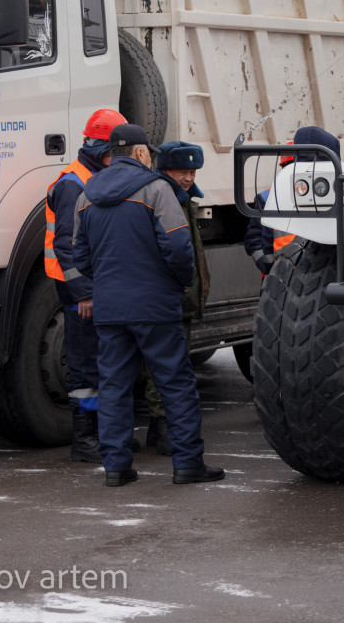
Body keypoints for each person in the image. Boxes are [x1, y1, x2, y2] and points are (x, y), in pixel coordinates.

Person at [73, 123, 223, 487]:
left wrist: (105, 283)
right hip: (155, 306)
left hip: (110, 309)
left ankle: (116, 467)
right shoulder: (157, 190)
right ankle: (187, 464)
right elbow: (177, 247)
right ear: (141, 153)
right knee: (175, 382)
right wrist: (179, 283)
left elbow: (80, 254)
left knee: (114, 385)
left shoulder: (87, 194)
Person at [45, 108, 128, 463]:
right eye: (115, 150)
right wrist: (84, 294)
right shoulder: (73, 183)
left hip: (96, 287)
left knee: (105, 363)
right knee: (84, 367)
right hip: (79, 291)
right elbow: (66, 246)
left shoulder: (95, 177)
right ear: (100, 147)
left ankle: (106, 435)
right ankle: (85, 440)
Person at [140, 140, 211, 455]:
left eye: (193, 171)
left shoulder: (182, 199)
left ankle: (158, 428)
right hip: (171, 299)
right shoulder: (165, 198)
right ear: (165, 169)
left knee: (170, 363)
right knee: (167, 367)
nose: (189, 177)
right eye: (183, 171)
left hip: (177, 299)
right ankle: (164, 425)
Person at [243, 126, 341, 274]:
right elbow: (255, 241)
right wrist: (271, 269)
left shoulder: (338, 194)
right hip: (284, 280)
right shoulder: (269, 197)